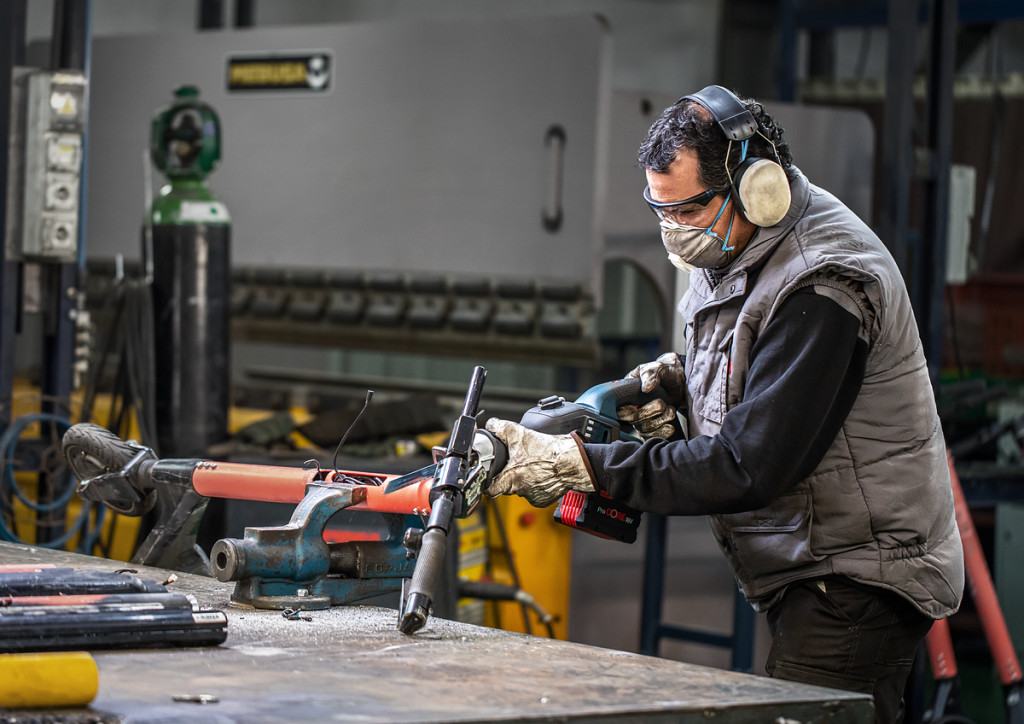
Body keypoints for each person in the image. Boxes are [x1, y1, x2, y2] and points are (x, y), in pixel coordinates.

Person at [483, 85, 964, 724]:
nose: (674, 230)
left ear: (758, 187)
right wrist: (679, 385)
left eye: (688, 209)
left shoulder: (825, 281)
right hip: (812, 560)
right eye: (662, 210)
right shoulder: (735, 242)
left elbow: (751, 463)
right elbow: (756, 364)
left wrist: (584, 465)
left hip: (859, 575)